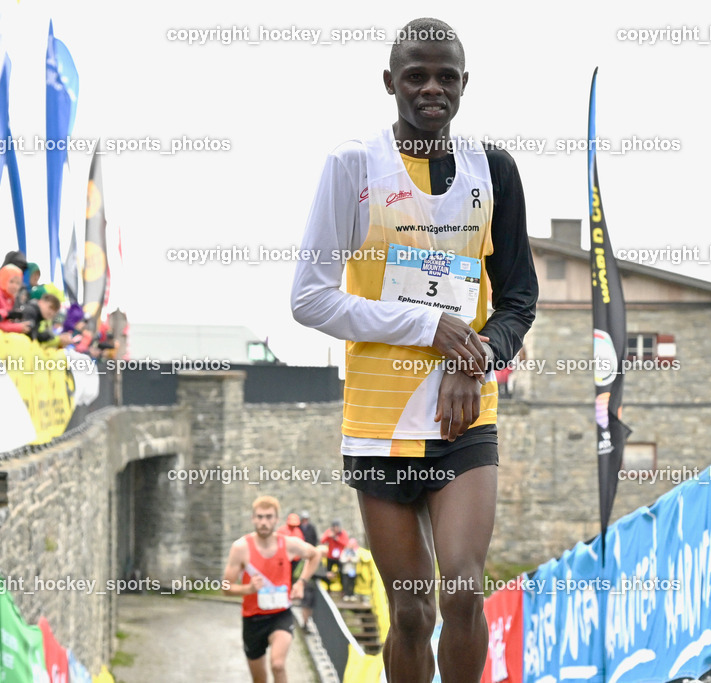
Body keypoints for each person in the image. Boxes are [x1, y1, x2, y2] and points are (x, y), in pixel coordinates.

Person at [290, 17, 537, 682]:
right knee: (411, 612)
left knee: (461, 588)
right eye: (416, 76)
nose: (433, 89)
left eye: (446, 77)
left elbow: (518, 300)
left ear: (464, 84)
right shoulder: (353, 165)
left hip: (463, 417)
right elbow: (309, 298)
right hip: (379, 423)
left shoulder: (495, 171)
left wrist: (476, 355)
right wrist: (427, 328)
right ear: (389, 83)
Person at [222, 496, 321, 683]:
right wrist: (248, 588)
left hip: (280, 614)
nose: (264, 522)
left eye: (269, 517)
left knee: (278, 664)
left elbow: (315, 555)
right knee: (260, 679)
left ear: (276, 519)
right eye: (259, 517)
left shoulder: (288, 543)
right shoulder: (241, 548)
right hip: (253, 619)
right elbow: (225, 587)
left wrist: (301, 582)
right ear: (253, 519)